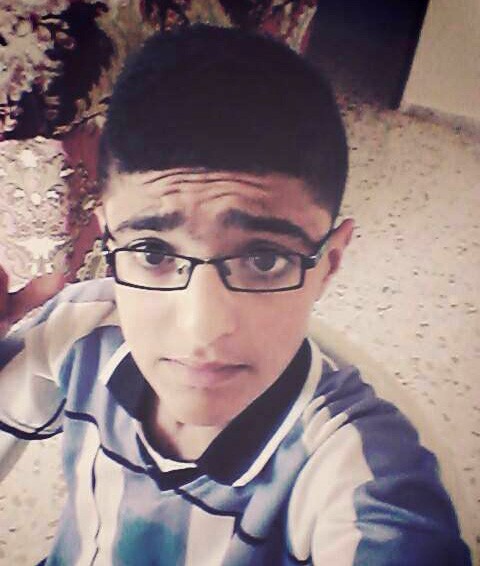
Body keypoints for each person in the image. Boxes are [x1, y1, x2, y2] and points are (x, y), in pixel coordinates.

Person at [0, 25, 471, 565]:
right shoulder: (80, 332)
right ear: (108, 238)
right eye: (152, 252)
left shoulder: (356, 462)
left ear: (330, 263)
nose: (201, 329)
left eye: (264, 259)